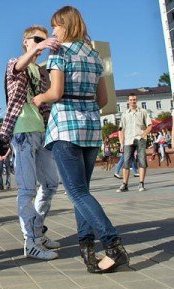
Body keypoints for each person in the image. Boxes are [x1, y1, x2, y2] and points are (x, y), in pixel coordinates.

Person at [33, 5, 129, 273]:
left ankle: (113, 245)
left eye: (56, 26)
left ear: (67, 26)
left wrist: (40, 98)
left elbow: (56, 92)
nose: (53, 31)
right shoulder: (95, 56)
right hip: (90, 129)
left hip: (65, 128)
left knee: (75, 192)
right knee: (82, 193)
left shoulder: (59, 52)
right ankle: (87, 250)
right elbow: (103, 100)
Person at [0, 24, 61, 260]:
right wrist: (38, 48)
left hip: (40, 132)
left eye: (45, 40)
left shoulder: (40, 71)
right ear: (26, 41)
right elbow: (17, 67)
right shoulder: (15, 62)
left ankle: (37, 230)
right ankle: (31, 242)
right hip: (21, 131)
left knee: (50, 184)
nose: (42, 44)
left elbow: (46, 102)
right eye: (37, 39)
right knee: (27, 189)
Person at [117, 93, 152, 192]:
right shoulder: (124, 114)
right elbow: (120, 129)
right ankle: (125, 184)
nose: (133, 101)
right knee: (126, 162)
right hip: (128, 140)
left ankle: (141, 183)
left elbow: (150, 125)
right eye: (131, 100)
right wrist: (121, 143)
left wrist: (143, 135)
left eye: (134, 99)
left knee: (142, 161)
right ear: (128, 101)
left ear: (137, 100)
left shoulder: (143, 112)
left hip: (140, 139)